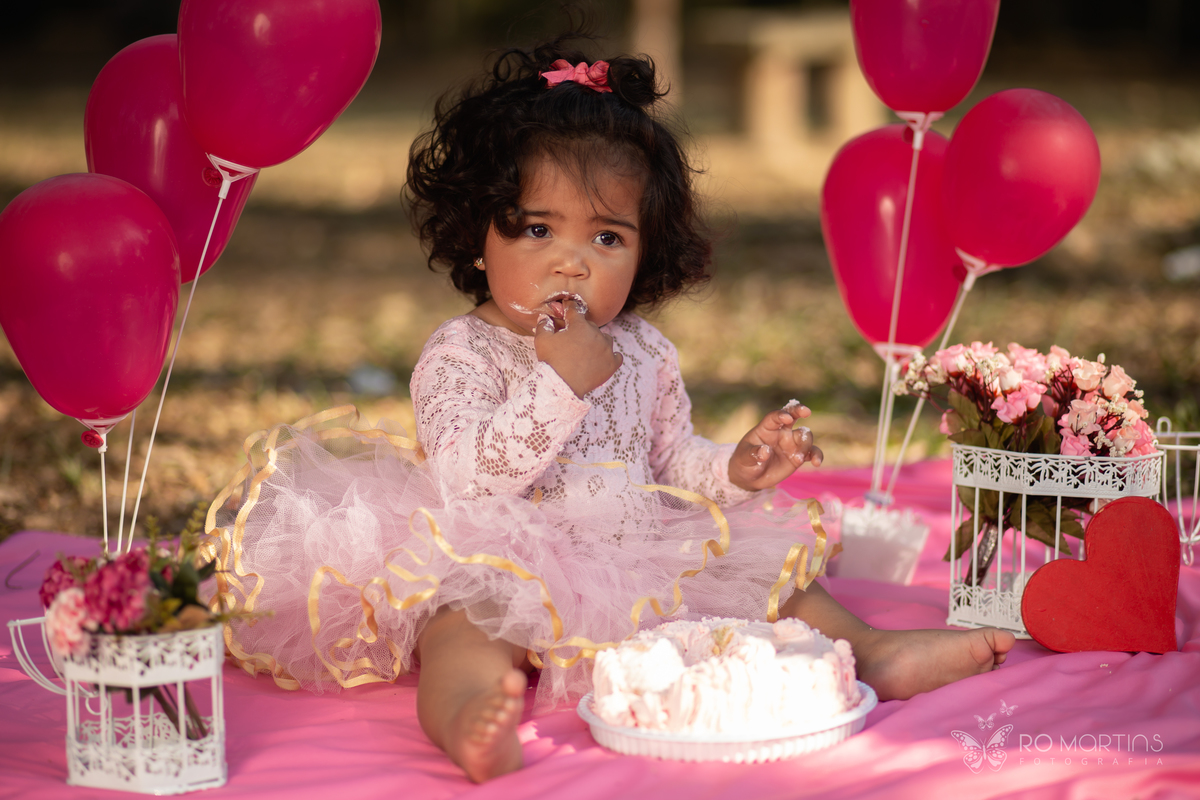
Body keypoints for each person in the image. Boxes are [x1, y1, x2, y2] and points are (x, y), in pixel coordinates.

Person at [208, 35, 1015, 784]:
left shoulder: (645, 351)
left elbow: (670, 462)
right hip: (503, 553)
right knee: (463, 627)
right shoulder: (462, 352)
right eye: (536, 228)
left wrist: (735, 468)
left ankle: (869, 650)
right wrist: (559, 384)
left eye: (607, 239)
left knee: (777, 579)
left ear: (645, 251)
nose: (571, 261)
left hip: (633, 549)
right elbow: (466, 477)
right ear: (477, 233)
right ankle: (468, 718)